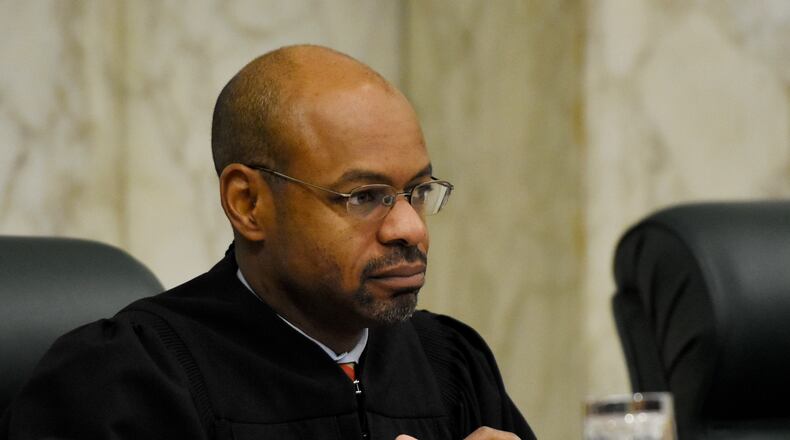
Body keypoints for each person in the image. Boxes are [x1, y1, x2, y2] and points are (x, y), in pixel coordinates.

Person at [1, 45, 535, 440]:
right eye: (364, 196)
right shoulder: (129, 380)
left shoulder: (449, 364)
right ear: (248, 203)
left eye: (417, 191)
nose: (411, 228)